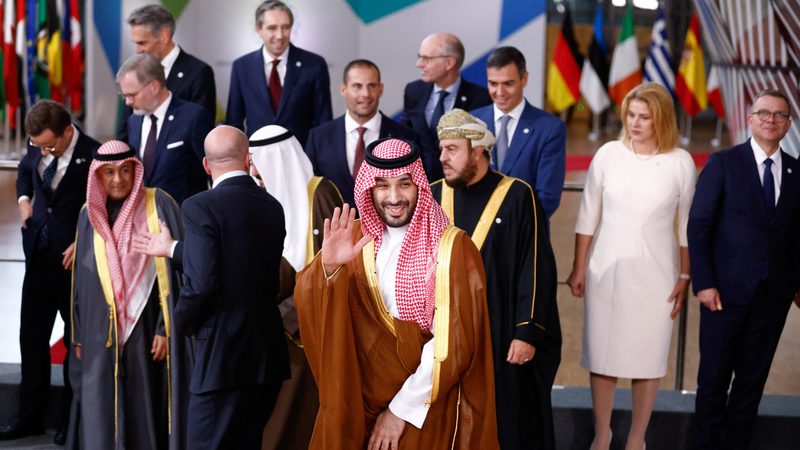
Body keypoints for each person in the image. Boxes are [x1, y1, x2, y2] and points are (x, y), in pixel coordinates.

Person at [295, 138, 499, 449]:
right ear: (368, 189)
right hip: (359, 402)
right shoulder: (354, 240)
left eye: (404, 184)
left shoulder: (451, 248)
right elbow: (313, 308)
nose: (393, 197)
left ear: (419, 184)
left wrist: (399, 411)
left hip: (422, 408)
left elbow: (452, 343)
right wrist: (328, 268)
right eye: (382, 186)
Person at [566, 83, 696, 450]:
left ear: (662, 119)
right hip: (607, 268)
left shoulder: (681, 162)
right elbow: (587, 215)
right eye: (631, 115)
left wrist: (685, 276)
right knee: (603, 353)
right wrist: (579, 268)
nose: (635, 123)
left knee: (648, 356)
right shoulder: (607, 155)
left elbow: (688, 226)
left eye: (644, 117)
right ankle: (602, 431)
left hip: (658, 273)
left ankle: (638, 437)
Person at [431, 108, 560, 450]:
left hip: (501, 334)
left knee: (506, 421)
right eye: (441, 149)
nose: (443, 158)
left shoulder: (518, 195)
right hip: (444, 334)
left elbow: (535, 267)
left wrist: (526, 332)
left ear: (478, 151)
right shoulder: (431, 195)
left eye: (452, 150)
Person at [688, 89, 800, 450]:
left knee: (751, 385)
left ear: (788, 123)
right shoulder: (724, 163)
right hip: (723, 295)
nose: (771, 119)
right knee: (713, 383)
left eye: (780, 115)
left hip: (773, 299)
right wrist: (703, 283)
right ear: (750, 119)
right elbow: (699, 224)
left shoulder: (797, 172)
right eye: (764, 112)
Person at [67, 140, 188, 449]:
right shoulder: (87, 214)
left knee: (144, 400)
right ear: (98, 177)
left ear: (136, 170)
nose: (118, 179)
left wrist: (166, 327)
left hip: (147, 328)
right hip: (100, 329)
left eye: (124, 170)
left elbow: (180, 272)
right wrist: (79, 334)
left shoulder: (159, 204)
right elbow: (81, 281)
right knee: (101, 404)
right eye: (108, 172)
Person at [174, 125, 289, 449]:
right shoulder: (272, 206)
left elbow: (202, 283)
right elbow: (243, 262)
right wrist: (173, 248)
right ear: (247, 158)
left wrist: (181, 324)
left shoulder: (199, 206)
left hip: (220, 359)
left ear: (206, 165)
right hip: (266, 356)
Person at [0, 100, 99, 445]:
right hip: (38, 258)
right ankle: (28, 418)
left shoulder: (95, 155)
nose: (42, 150)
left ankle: (70, 422)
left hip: (75, 265)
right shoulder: (35, 144)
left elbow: (105, 207)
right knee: (31, 340)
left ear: (68, 131)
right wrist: (24, 199)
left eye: (49, 145)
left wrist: (83, 241)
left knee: (76, 344)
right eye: (38, 145)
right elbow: (27, 172)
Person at [248, 125, 342, 450]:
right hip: (271, 331)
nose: (256, 178)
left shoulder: (321, 195)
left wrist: (288, 313)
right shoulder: (261, 200)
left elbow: (335, 267)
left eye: (261, 172)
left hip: (308, 329)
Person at [305, 59, 418, 207]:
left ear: (381, 89)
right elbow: (310, 190)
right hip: (334, 226)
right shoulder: (318, 138)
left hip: (389, 228)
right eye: (357, 86)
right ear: (343, 89)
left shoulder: (406, 138)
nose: (365, 93)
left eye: (371, 86)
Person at [471, 46, 566, 219]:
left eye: (508, 83)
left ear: (524, 79)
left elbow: (548, 197)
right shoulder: (471, 122)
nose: (500, 93)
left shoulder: (550, 128)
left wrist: (503, 226)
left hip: (525, 235)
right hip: (476, 234)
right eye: (493, 84)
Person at [226, 0, 332, 145]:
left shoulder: (314, 65)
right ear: (259, 29)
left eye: (286, 27)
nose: (280, 35)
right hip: (256, 159)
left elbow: (323, 121)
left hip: (302, 159)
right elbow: (234, 122)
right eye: (272, 28)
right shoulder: (242, 67)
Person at [117, 53, 213, 206]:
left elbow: (212, 171)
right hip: (146, 218)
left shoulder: (193, 117)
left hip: (186, 217)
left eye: (132, 95)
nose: (128, 102)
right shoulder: (133, 121)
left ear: (154, 86)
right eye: (124, 96)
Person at [118, 4, 216, 142]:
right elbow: (125, 129)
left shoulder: (198, 73)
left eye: (142, 43)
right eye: (135, 43)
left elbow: (202, 129)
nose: (137, 50)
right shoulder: (134, 71)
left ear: (164, 35)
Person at [401, 32, 491, 181]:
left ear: (449, 63)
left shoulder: (481, 98)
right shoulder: (413, 91)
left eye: (426, 58)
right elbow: (405, 136)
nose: (419, 64)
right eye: (420, 57)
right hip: (419, 186)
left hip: (460, 186)